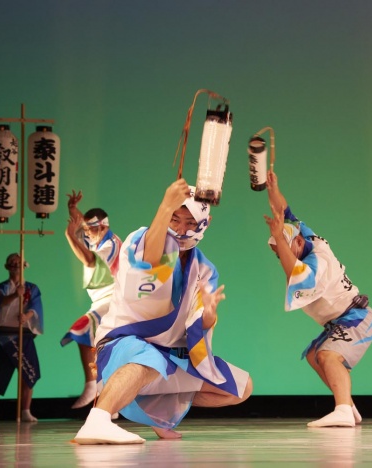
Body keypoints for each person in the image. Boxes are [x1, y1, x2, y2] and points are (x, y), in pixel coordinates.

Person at [74, 178, 253, 444]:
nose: (181, 229)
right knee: (148, 359)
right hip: (123, 342)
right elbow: (150, 262)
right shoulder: (142, 239)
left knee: (241, 388)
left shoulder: (205, 270)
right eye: (175, 219)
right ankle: (98, 420)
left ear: (206, 222)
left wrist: (209, 315)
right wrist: (165, 206)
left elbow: (197, 325)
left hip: (169, 355)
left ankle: (157, 415)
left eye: (190, 222)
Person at [263, 170, 372, 428]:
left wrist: (279, 236)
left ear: (297, 241)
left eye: (282, 248)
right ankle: (349, 406)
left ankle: (343, 410)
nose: (280, 256)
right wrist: (272, 189)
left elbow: (295, 274)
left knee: (327, 355)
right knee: (315, 355)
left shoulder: (318, 261)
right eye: (276, 252)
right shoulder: (304, 234)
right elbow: (284, 211)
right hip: (342, 320)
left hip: (356, 317)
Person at [61, 190, 122, 409]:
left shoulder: (110, 245)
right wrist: (73, 209)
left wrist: (70, 236)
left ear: (103, 226)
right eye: (87, 229)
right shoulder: (95, 235)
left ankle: (91, 386)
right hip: (100, 301)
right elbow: (82, 223)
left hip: (114, 301)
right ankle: (109, 404)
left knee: (82, 329)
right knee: (102, 350)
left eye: (91, 229)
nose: (87, 233)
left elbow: (89, 261)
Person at [0, 253, 44, 423]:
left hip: (23, 335)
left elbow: (35, 306)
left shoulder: (32, 288)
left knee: (28, 374)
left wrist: (26, 316)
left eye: (19, 262)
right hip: (4, 336)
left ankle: (26, 410)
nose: (15, 265)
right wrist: (15, 295)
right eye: (12, 262)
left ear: (24, 266)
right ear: (7, 266)